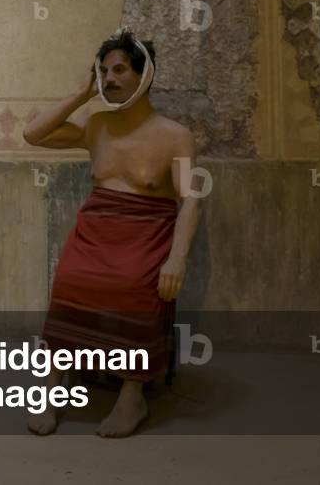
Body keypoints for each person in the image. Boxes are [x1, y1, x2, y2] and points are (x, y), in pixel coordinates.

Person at [22, 29, 201, 437]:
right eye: (103, 71)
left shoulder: (177, 136)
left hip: (146, 236)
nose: (110, 78)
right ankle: (52, 390)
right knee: (69, 280)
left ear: (146, 75)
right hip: (96, 231)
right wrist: (81, 93)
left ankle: (131, 396)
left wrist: (178, 256)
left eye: (120, 69)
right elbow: (33, 134)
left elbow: (191, 198)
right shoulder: (96, 125)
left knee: (135, 289)